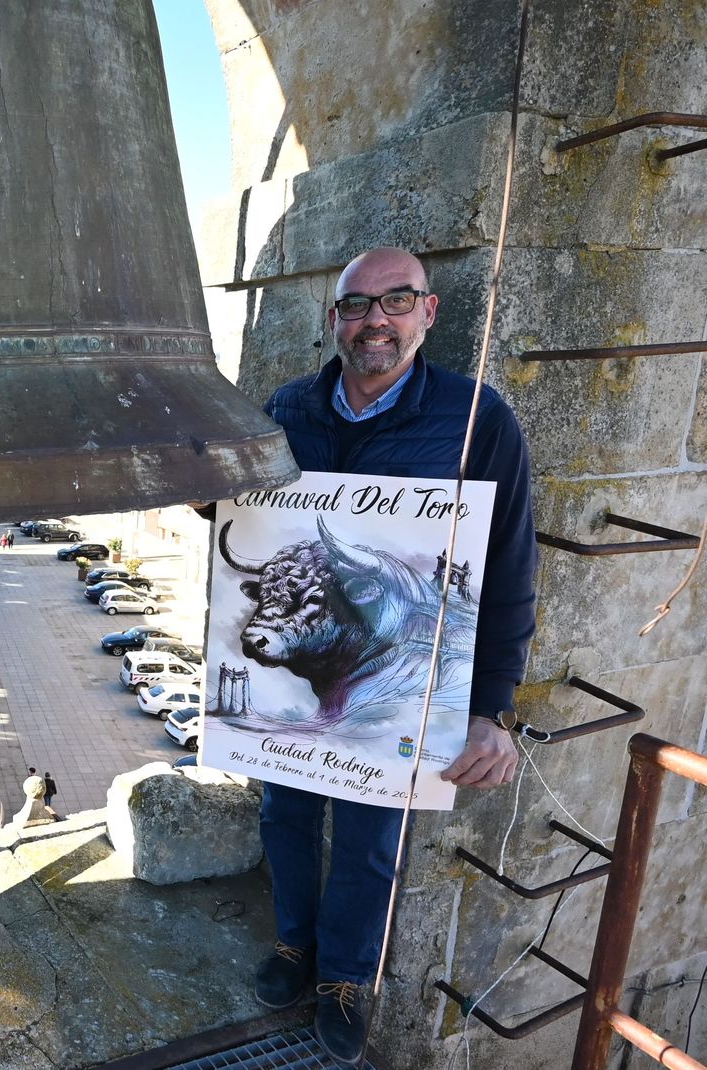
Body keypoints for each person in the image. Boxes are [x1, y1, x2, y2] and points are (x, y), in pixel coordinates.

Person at [248, 248, 535, 1065]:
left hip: (399, 672)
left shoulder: (478, 419)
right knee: (283, 811)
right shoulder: (288, 408)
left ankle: (345, 976)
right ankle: (295, 941)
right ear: (333, 319)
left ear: (428, 312)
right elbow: (257, 528)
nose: (375, 320)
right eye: (355, 305)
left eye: (396, 300)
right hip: (306, 666)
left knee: (373, 834)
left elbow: (507, 567)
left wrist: (492, 707)